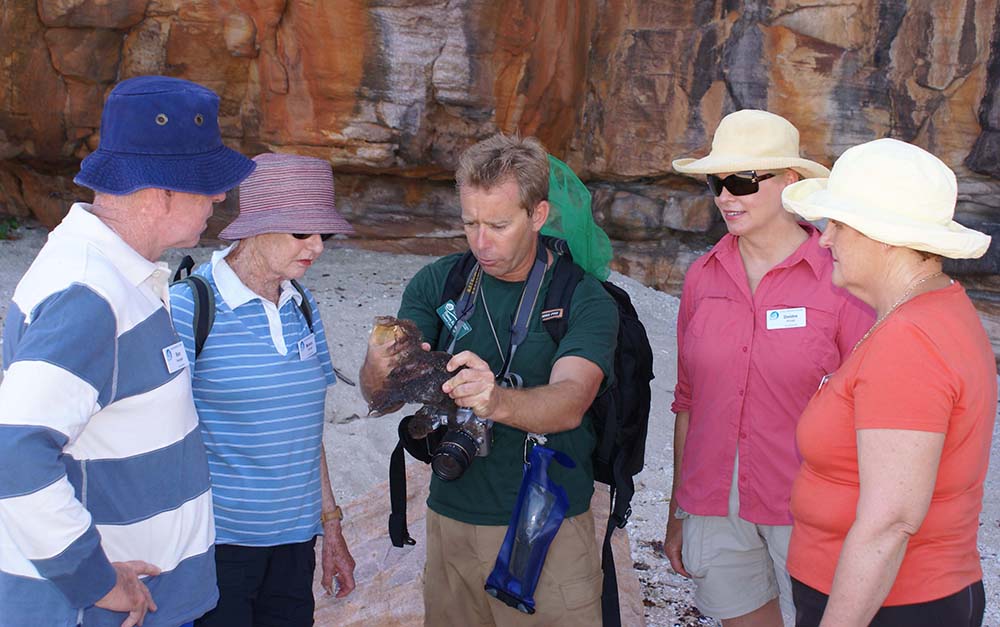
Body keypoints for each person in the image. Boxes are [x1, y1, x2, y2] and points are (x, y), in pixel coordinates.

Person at [0, 76, 255, 627]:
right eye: (207, 184)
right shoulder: (89, 296)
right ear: (160, 190)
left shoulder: (124, 276)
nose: (218, 197)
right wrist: (93, 580)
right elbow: (15, 453)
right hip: (100, 611)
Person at [359, 133, 618, 626]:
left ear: (538, 215)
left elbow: (570, 402)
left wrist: (494, 400)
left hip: (546, 528)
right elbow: (379, 395)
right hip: (451, 521)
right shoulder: (441, 282)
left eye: (498, 225)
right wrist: (378, 366)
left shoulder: (583, 299)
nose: (481, 242)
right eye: (469, 223)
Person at [664, 109, 874, 626]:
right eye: (716, 182)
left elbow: (871, 413)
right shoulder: (701, 277)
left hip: (810, 510)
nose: (724, 197)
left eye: (741, 180)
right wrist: (677, 512)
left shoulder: (842, 279)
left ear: (792, 183)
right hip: (712, 506)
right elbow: (688, 401)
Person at [781, 138, 996, 626]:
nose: (825, 239)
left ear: (883, 236)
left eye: (838, 224)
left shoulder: (910, 341)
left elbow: (890, 521)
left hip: (891, 606)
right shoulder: (933, 309)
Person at [168, 153, 357, 627]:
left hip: (296, 546)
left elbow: (306, 430)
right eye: (302, 232)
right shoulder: (188, 307)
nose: (317, 245)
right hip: (217, 548)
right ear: (254, 226)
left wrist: (330, 529)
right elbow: (156, 437)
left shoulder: (304, 306)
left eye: (324, 233)